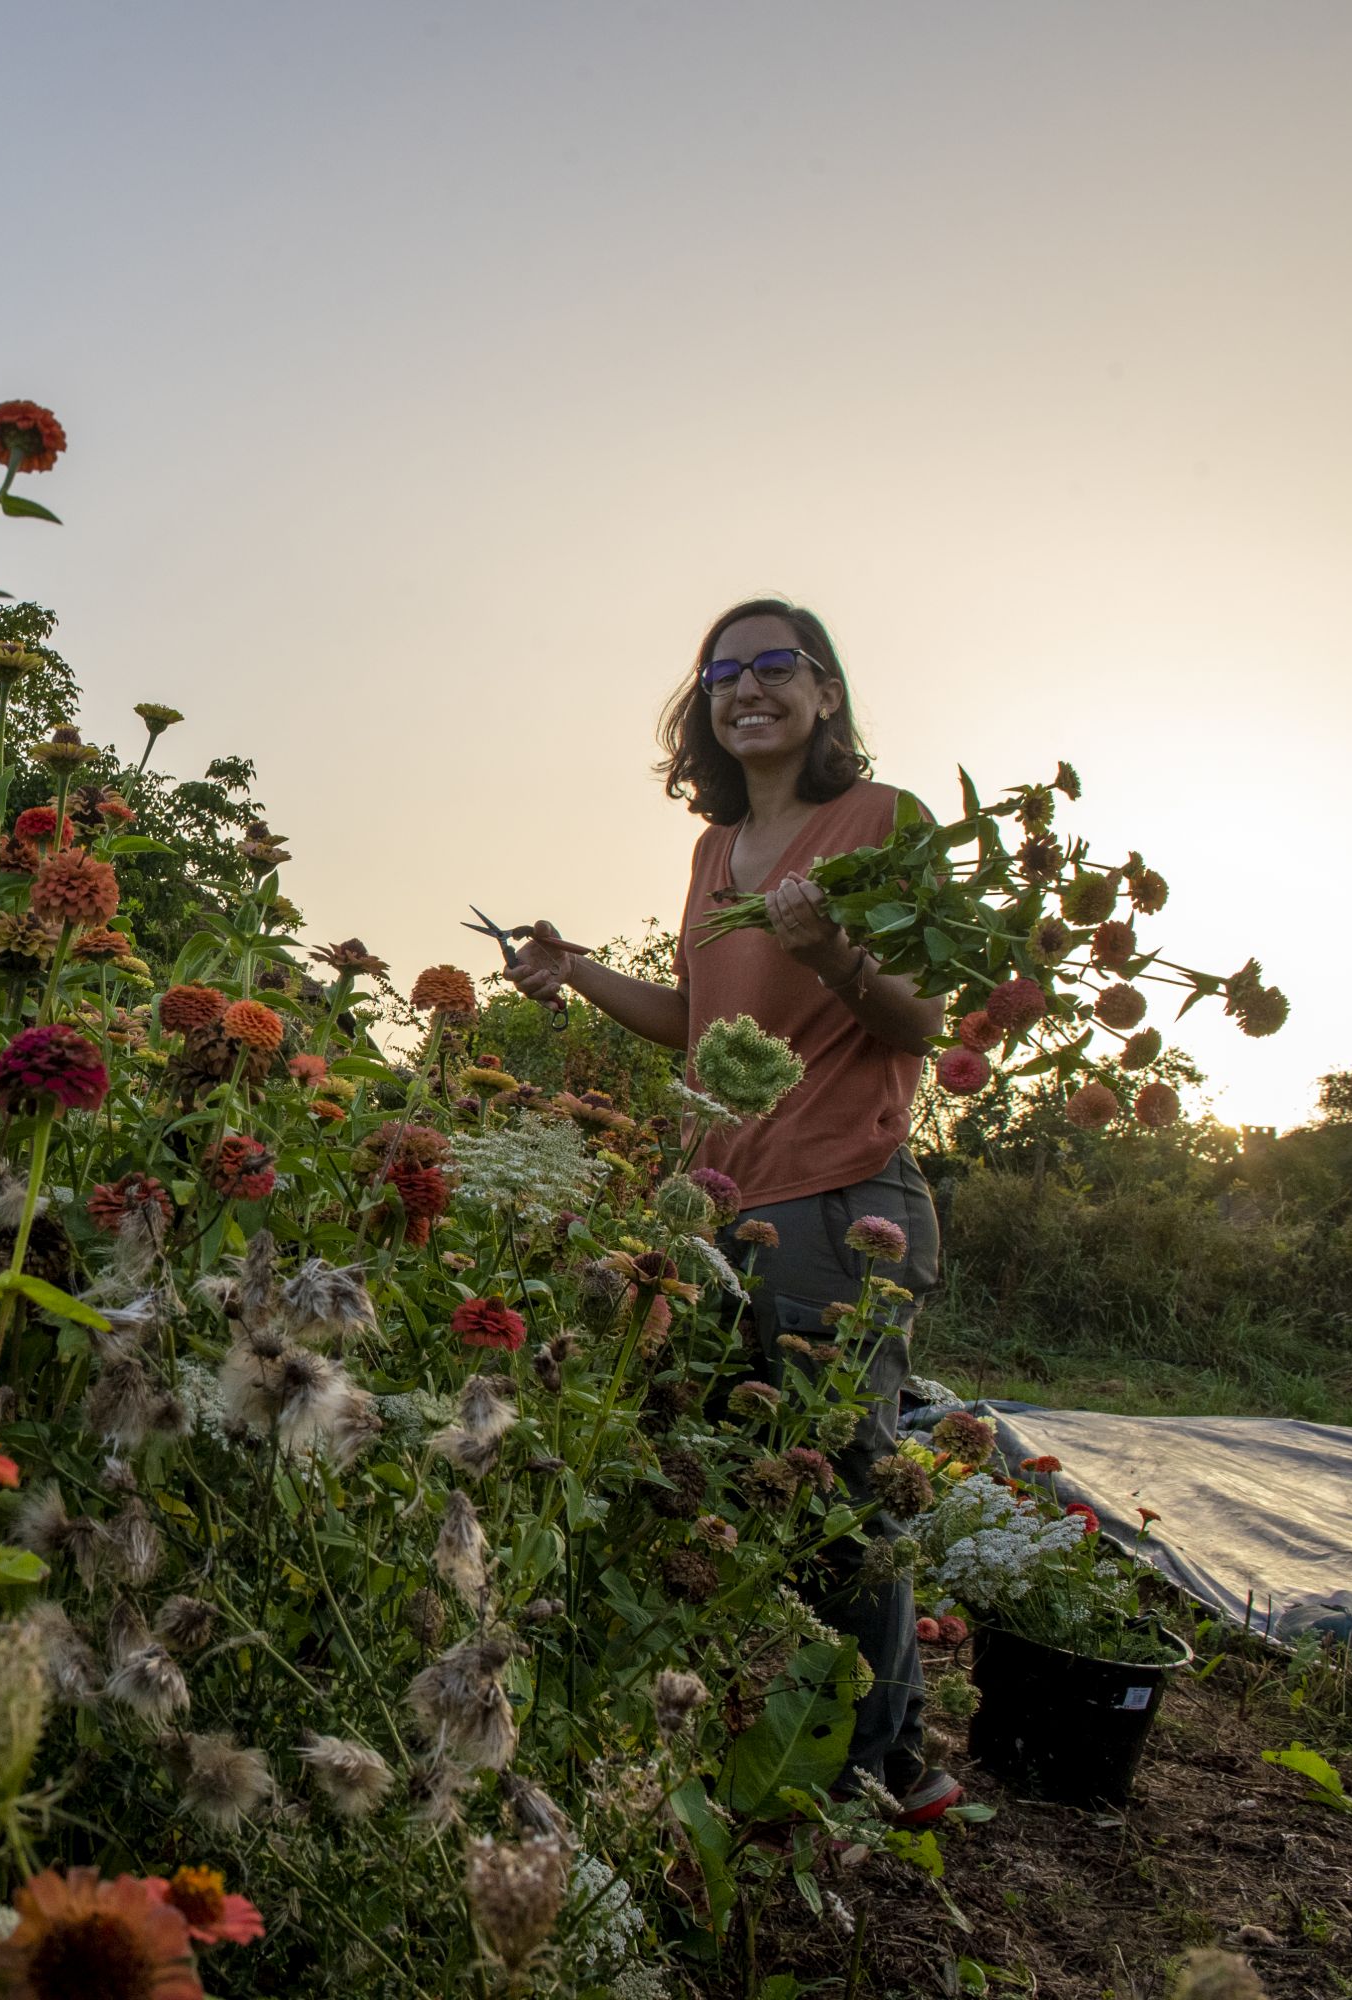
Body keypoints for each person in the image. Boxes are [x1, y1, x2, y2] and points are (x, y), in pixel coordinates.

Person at [507, 596, 960, 1827]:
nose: (744, 686)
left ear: (822, 693)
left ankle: (882, 1768)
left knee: (842, 1484)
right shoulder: (713, 850)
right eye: (721, 671)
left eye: (774, 664)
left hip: (839, 1200)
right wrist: (574, 969)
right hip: (724, 1203)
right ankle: (817, 1737)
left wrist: (832, 956)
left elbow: (919, 1020)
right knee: (742, 1478)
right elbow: (699, 1026)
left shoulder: (880, 822)